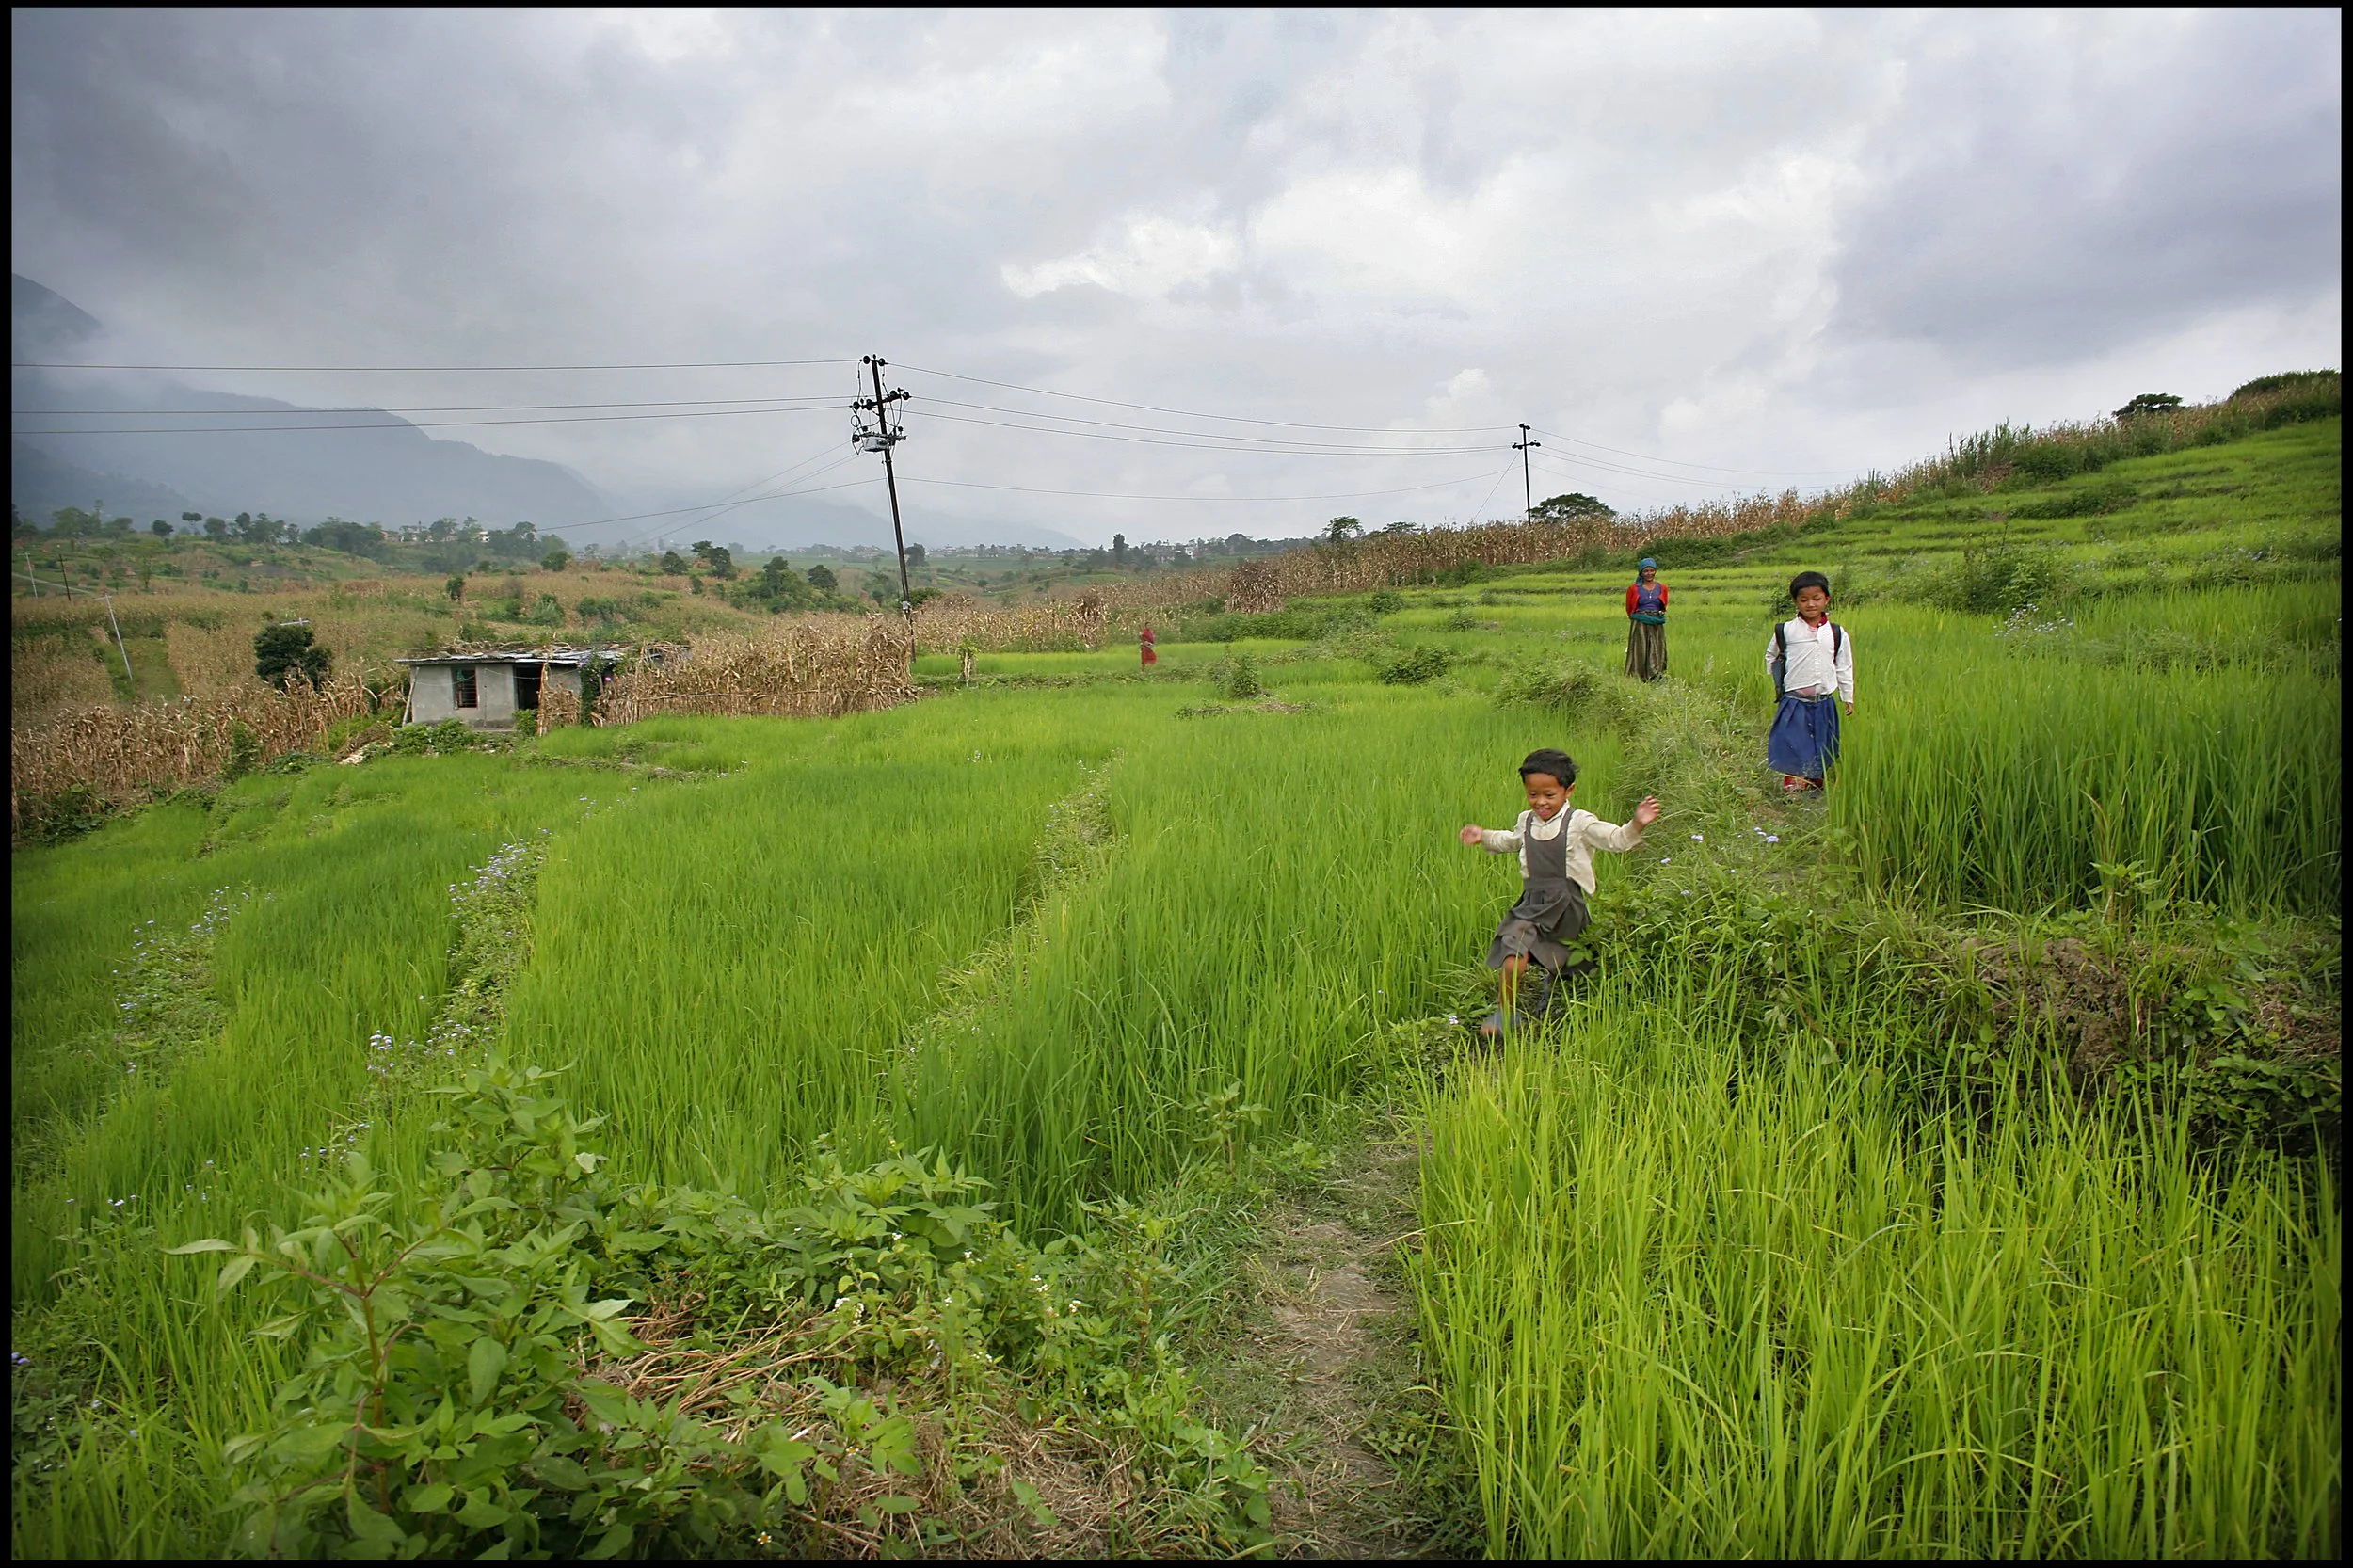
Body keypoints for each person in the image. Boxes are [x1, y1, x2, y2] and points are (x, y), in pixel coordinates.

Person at [1458, 748, 1660, 1037]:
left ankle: (1557, 1001)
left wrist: (1637, 822)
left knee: (1571, 962)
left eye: (1549, 795)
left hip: (1567, 904)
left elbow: (1615, 839)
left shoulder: (1580, 822)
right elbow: (1512, 841)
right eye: (1532, 795)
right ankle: (1505, 1014)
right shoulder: (1525, 820)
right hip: (1531, 903)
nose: (1540, 802)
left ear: (1569, 790)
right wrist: (1484, 836)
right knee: (1513, 956)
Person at [1765, 570, 1853, 791]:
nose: (1811, 604)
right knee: (1792, 742)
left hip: (1824, 700)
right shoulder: (1786, 630)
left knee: (1822, 744)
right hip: (1794, 700)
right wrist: (1780, 682)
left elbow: (1844, 666)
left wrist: (1847, 696)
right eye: (1804, 600)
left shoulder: (1836, 633)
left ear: (1826, 599)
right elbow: (1772, 656)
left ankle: (1815, 784)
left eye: (1816, 599)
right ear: (1796, 602)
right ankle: (1793, 787)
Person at [1624, 558, 1669, 681]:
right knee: (1640, 649)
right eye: (1646, 571)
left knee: (1657, 648)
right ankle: (1638, 676)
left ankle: (1655, 675)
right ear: (1641, 573)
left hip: (1656, 622)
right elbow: (1629, 608)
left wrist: (1654, 617)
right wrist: (1641, 618)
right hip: (1640, 622)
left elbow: (1663, 605)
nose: (1649, 574)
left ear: (1655, 571)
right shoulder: (1633, 589)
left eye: (1652, 570)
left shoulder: (1662, 588)